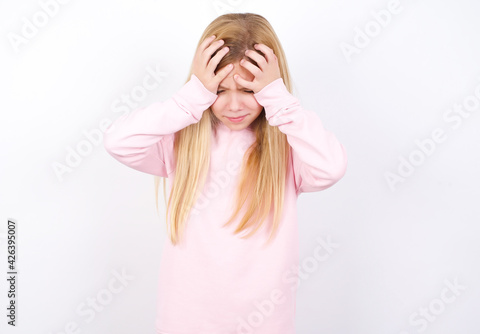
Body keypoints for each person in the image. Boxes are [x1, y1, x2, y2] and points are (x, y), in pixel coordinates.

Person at [103, 12, 347, 334]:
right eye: (219, 91)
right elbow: (118, 142)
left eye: (249, 91)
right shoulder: (181, 143)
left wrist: (279, 101)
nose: (234, 106)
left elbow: (332, 167)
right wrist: (190, 99)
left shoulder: (289, 149)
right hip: (185, 322)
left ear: (271, 88)